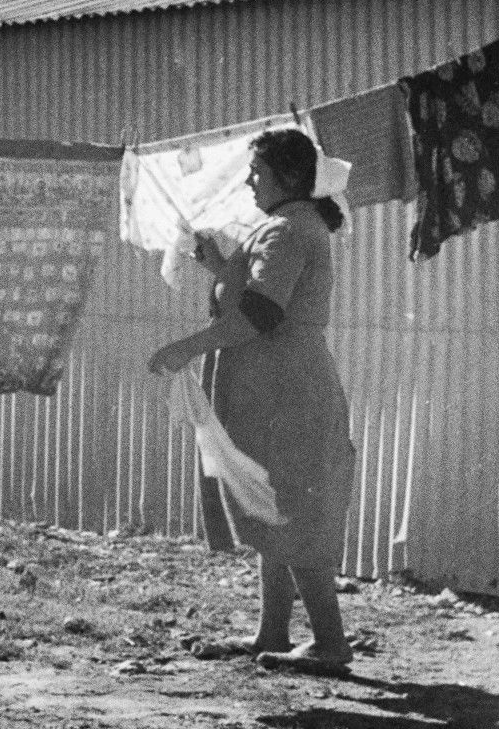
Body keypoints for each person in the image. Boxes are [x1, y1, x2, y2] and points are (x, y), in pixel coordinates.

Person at [147, 127, 357, 676]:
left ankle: (331, 643)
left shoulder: (287, 229)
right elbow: (256, 292)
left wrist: (183, 347)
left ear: (288, 178)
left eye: (257, 172)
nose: (248, 180)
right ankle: (272, 630)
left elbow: (262, 315)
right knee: (272, 505)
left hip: (286, 395)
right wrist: (217, 265)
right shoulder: (285, 226)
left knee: (291, 510)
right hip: (276, 390)